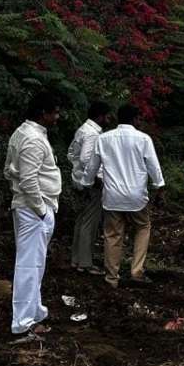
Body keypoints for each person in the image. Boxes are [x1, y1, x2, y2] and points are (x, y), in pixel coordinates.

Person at [81, 103, 165, 289]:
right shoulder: (143, 139)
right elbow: (153, 166)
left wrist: (86, 185)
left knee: (112, 235)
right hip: (136, 196)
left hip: (112, 196)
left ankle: (112, 277)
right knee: (143, 227)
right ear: (135, 119)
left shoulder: (104, 139)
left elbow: (92, 167)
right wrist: (159, 188)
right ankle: (137, 271)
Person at [3, 90, 62, 341]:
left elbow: (9, 170)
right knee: (29, 265)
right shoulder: (33, 140)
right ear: (43, 113)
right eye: (55, 112)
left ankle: (34, 314)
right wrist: (41, 210)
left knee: (35, 264)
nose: (57, 117)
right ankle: (23, 323)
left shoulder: (22, 133)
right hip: (34, 209)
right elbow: (27, 179)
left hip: (31, 208)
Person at [66, 101, 114, 275]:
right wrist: (96, 177)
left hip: (79, 180)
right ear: (100, 116)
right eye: (107, 116)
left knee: (81, 221)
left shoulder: (83, 129)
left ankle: (76, 259)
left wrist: (77, 171)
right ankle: (85, 263)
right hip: (91, 183)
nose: (109, 120)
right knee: (90, 223)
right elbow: (87, 159)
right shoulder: (93, 134)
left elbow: (71, 153)